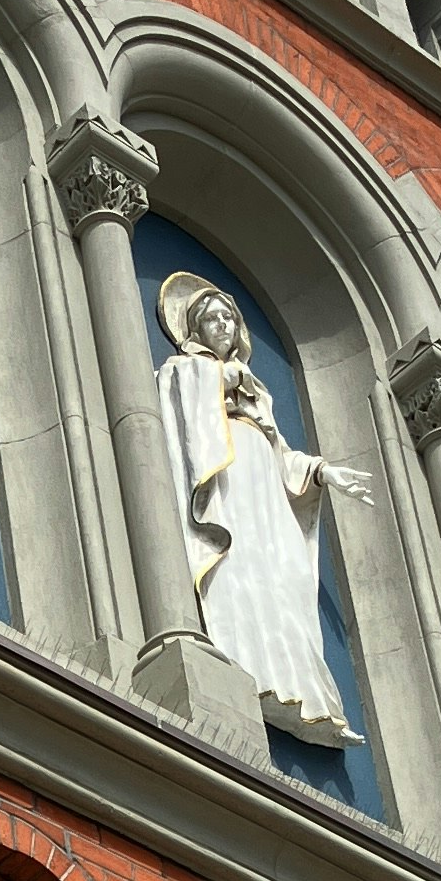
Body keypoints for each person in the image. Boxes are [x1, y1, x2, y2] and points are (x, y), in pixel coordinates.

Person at [154, 271, 364, 743]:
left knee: (282, 583)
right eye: (212, 318)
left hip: (266, 494)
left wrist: (322, 472)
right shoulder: (184, 370)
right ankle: (247, 670)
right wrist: (220, 378)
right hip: (227, 492)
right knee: (236, 570)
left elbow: (281, 453)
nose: (224, 324)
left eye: (229, 316)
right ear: (194, 329)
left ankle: (302, 694)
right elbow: (175, 406)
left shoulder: (257, 392)